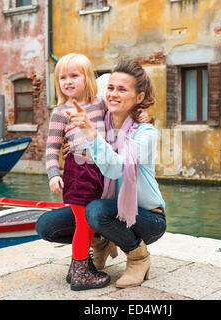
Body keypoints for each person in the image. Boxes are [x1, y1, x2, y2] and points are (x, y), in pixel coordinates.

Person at [68, 60, 166, 288]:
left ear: (139, 98)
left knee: (95, 211)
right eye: (111, 88)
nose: (113, 94)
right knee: (50, 224)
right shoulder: (101, 124)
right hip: (110, 208)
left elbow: (116, 168)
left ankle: (138, 257)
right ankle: (102, 242)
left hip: (148, 217)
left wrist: (90, 134)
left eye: (122, 89)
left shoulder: (145, 134)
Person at [44, 52, 111, 291]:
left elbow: (123, 112)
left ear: (87, 78)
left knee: (92, 221)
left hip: (102, 170)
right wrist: (54, 174)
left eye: (74, 75)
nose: (68, 81)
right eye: (63, 77)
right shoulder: (60, 113)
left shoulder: (100, 104)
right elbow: (52, 147)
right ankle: (82, 272)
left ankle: (76, 268)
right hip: (78, 170)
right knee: (84, 223)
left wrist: (142, 114)